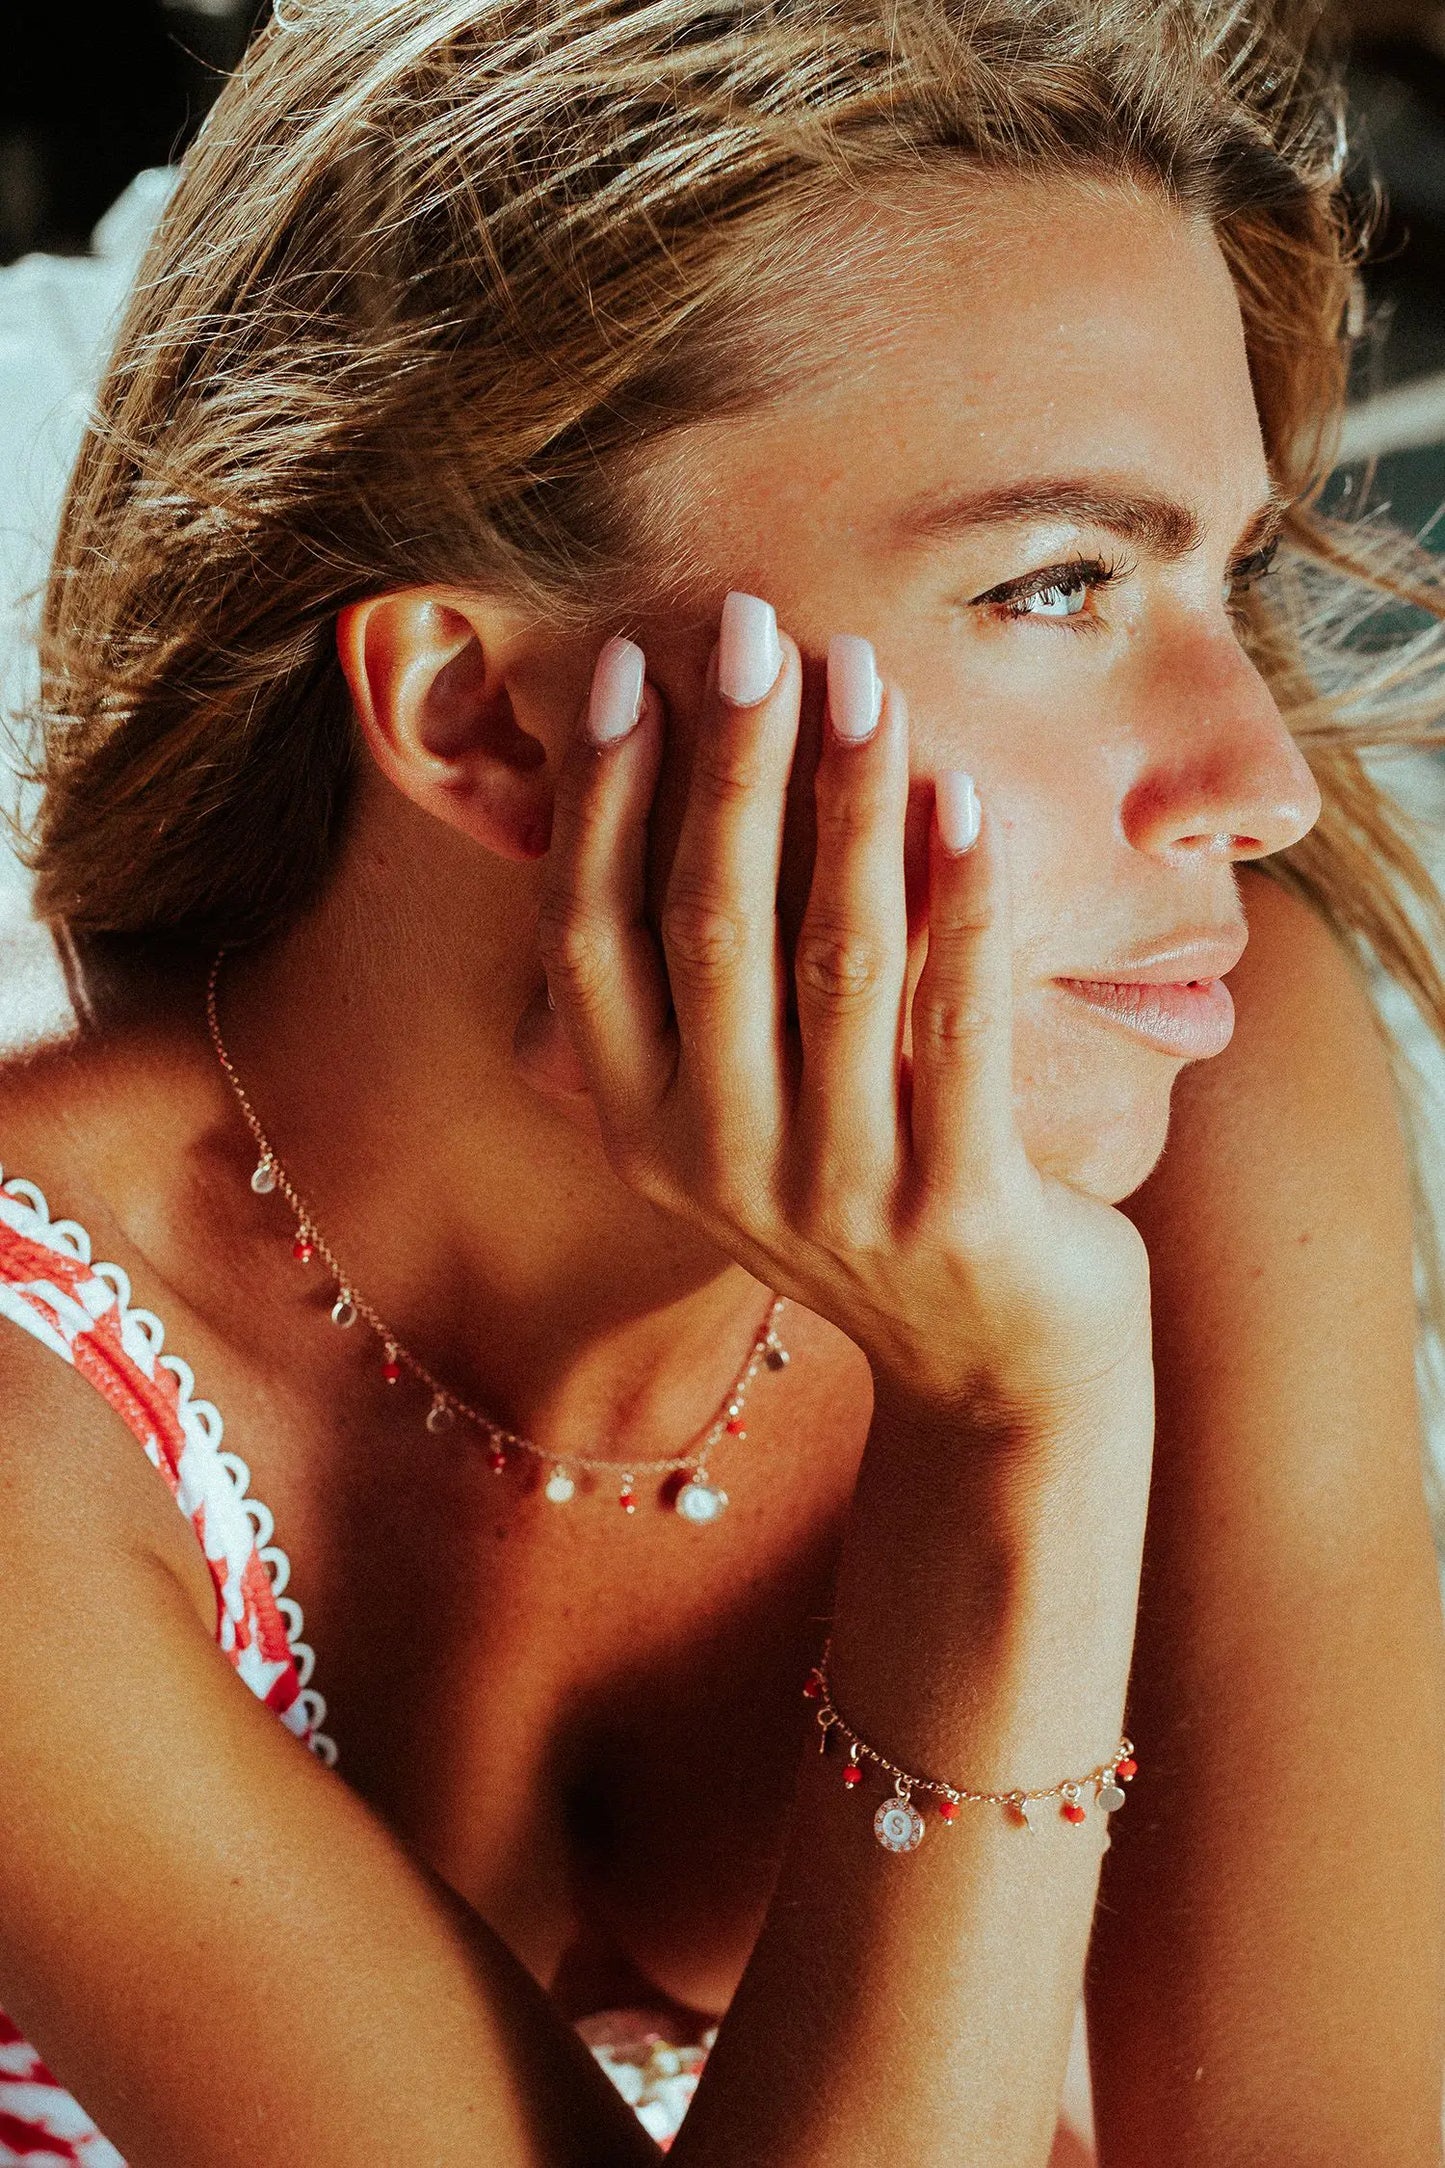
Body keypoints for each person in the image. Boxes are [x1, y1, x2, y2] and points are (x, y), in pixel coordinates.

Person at [0, 1, 1441, 2162]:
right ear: (481, 721)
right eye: (1055, 580)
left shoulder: (1181, 1061)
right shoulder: (36, 1440)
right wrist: (1012, 1430)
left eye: (1218, 577)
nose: (1245, 786)